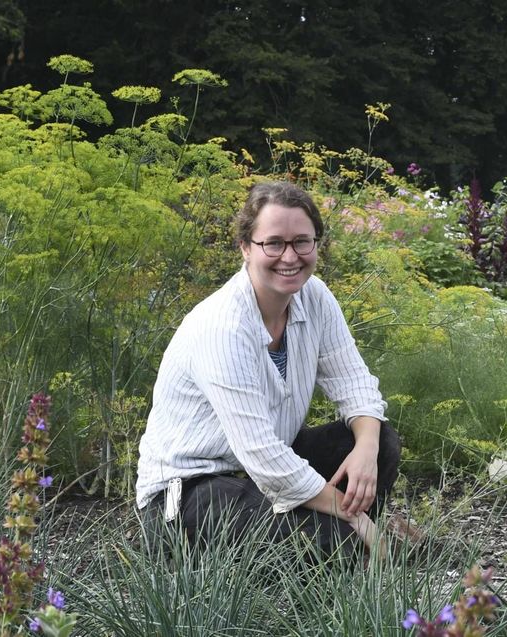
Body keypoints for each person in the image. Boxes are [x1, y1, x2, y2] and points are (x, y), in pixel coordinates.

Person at [135, 180, 400, 559]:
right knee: (340, 539)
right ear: (246, 247)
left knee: (379, 444)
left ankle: (342, 548)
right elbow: (262, 455)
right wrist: (351, 516)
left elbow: (355, 384)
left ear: (316, 245)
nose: (289, 257)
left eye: (302, 242)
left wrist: (367, 448)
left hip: (262, 471)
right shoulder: (223, 325)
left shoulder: (315, 297)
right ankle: (347, 543)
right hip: (190, 494)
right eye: (273, 243)